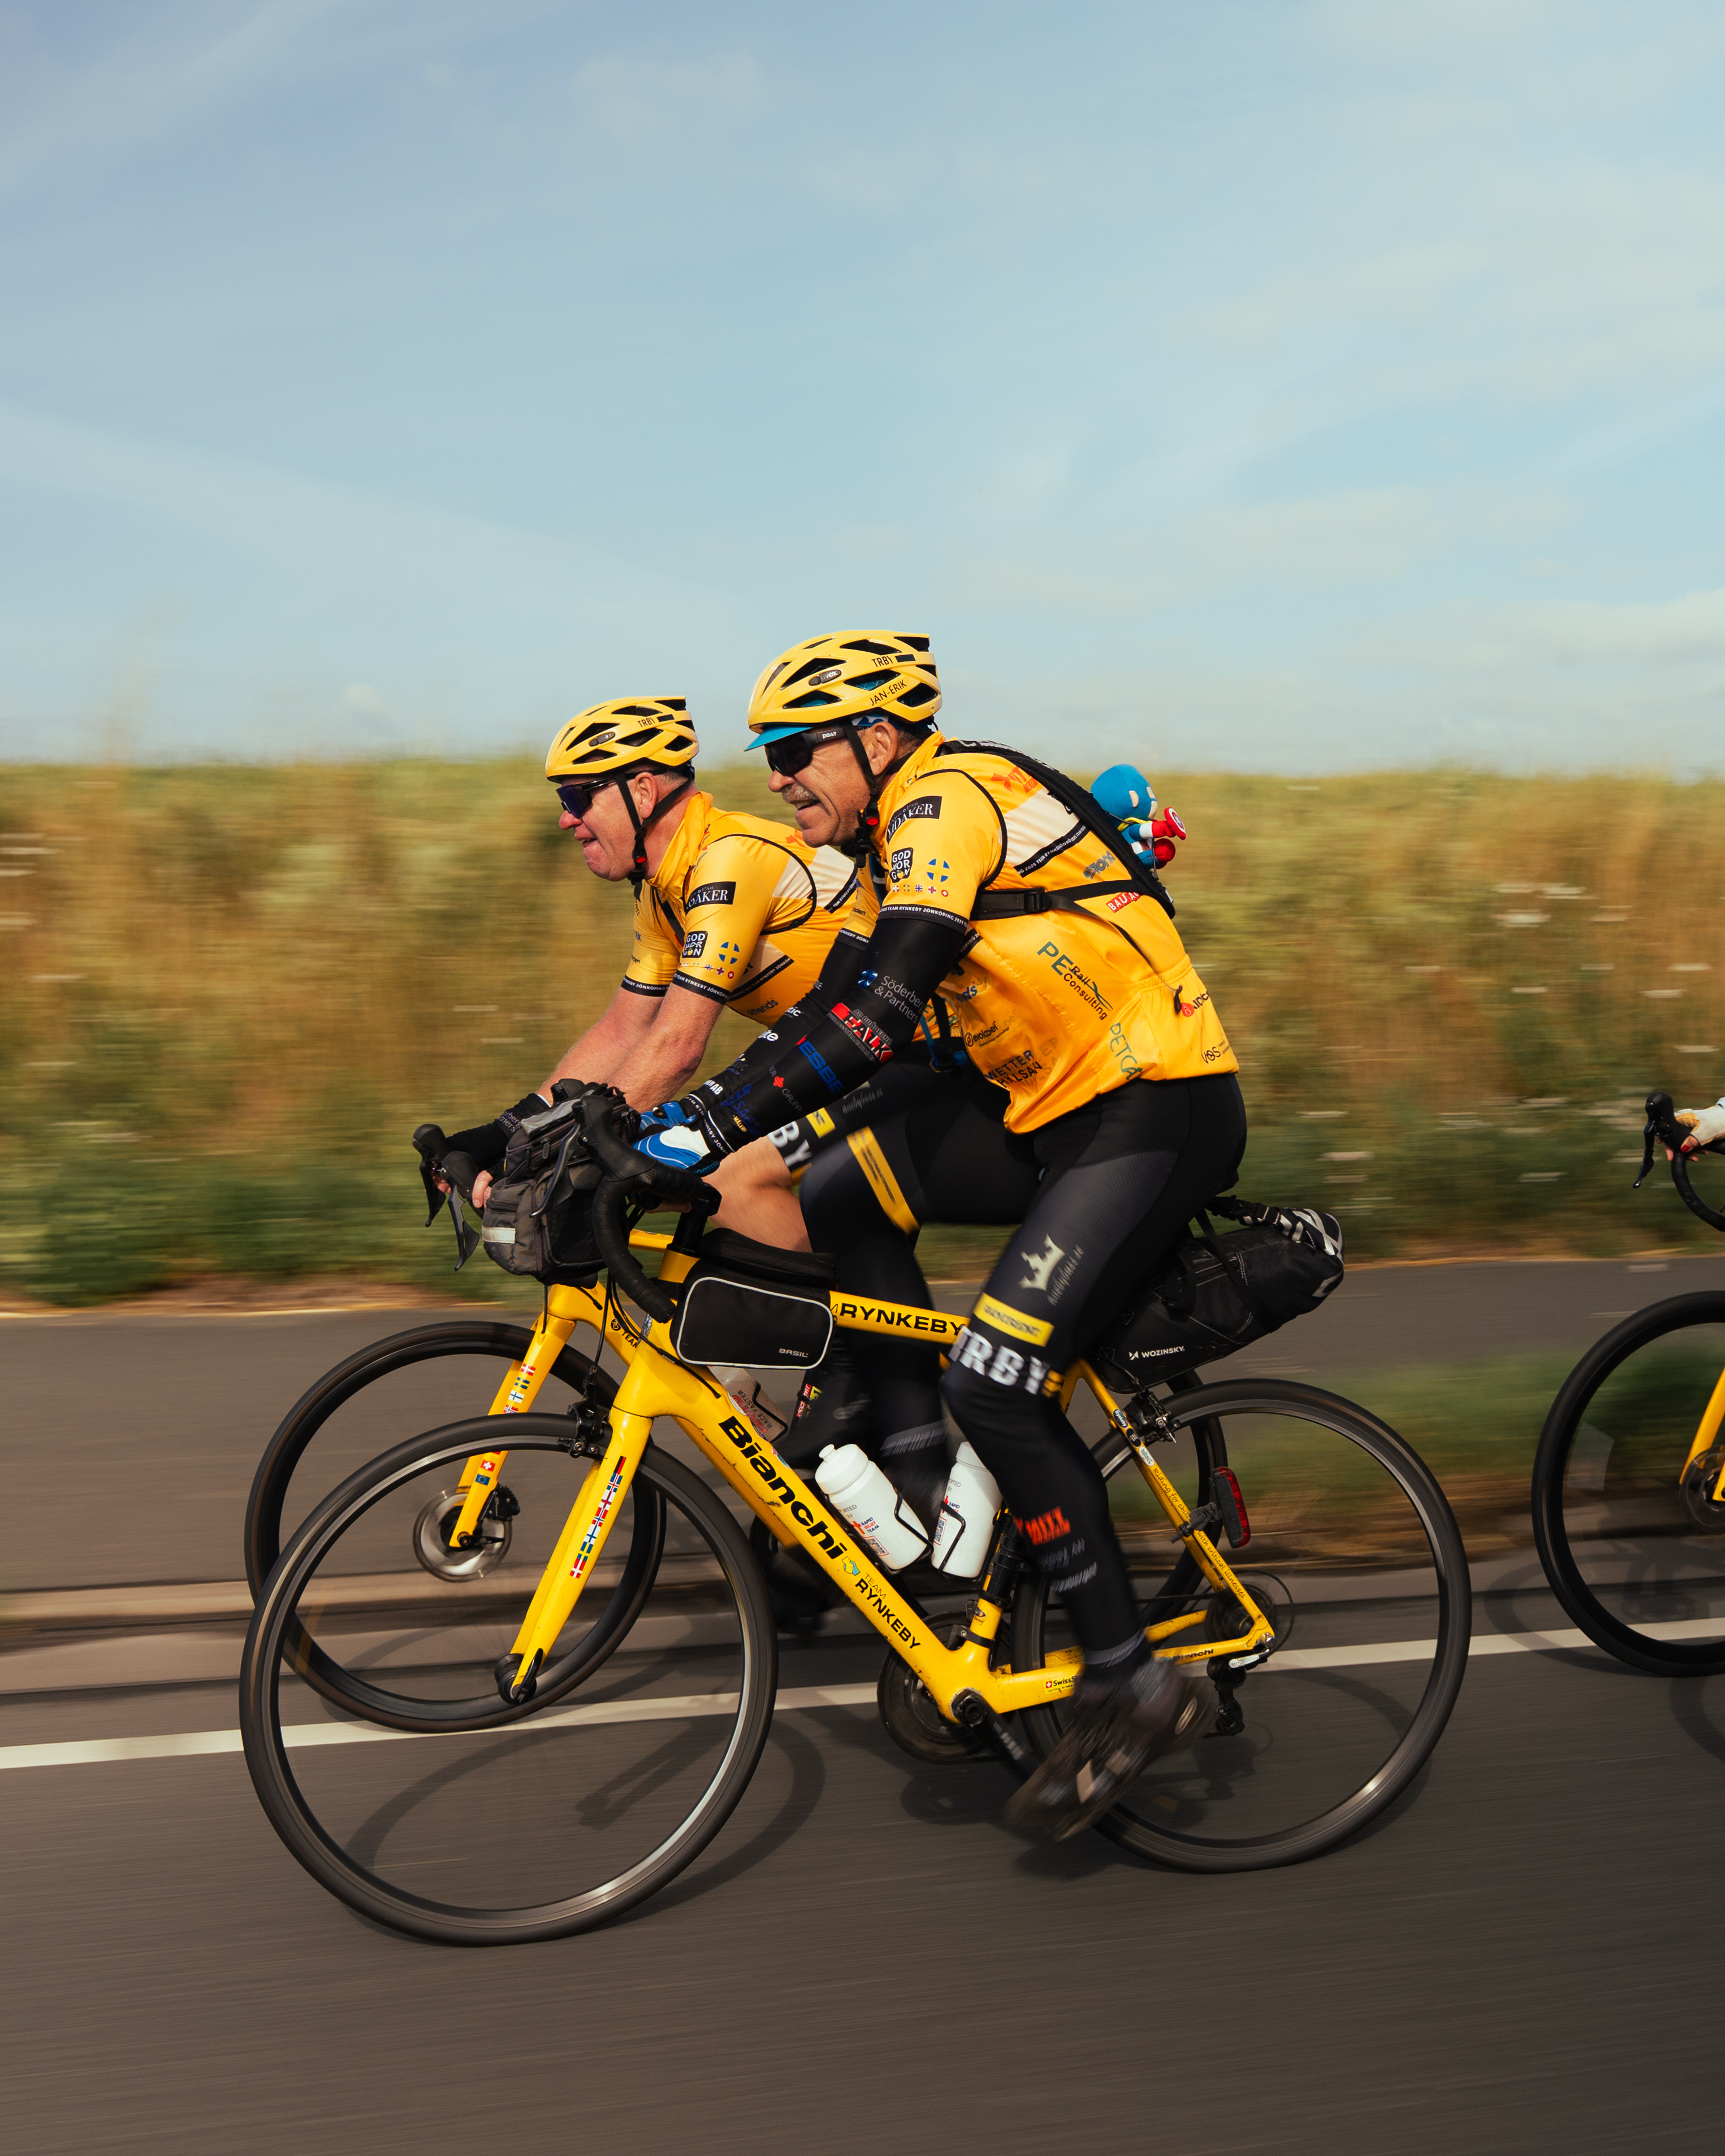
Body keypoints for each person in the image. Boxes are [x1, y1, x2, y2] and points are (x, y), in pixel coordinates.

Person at [629, 631, 1246, 1839]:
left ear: (876, 736)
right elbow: (827, 1009)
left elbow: (877, 1014)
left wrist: (703, 1124)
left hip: (1148, 1102)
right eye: (767, 755)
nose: (776, 775)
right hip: (1045, 1105)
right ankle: (916, 1468)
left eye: (795, 748)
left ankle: (1128, 1677)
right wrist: (661, 1122)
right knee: (838, 1192)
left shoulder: (943, 801)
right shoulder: (884, 844)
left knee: (998, 1379)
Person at [439, 698, 856, 1242]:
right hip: (839, 1062)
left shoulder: (728, 859)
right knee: (663, 1177)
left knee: (723, 1176)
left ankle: (842, 1297)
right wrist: (507, 1131)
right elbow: (625, 1031)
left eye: (577, 798)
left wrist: (558, 1148)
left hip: (909, 1057)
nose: (566, 819)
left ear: (641, 791)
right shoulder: (663, 888)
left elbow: (677, 1046)